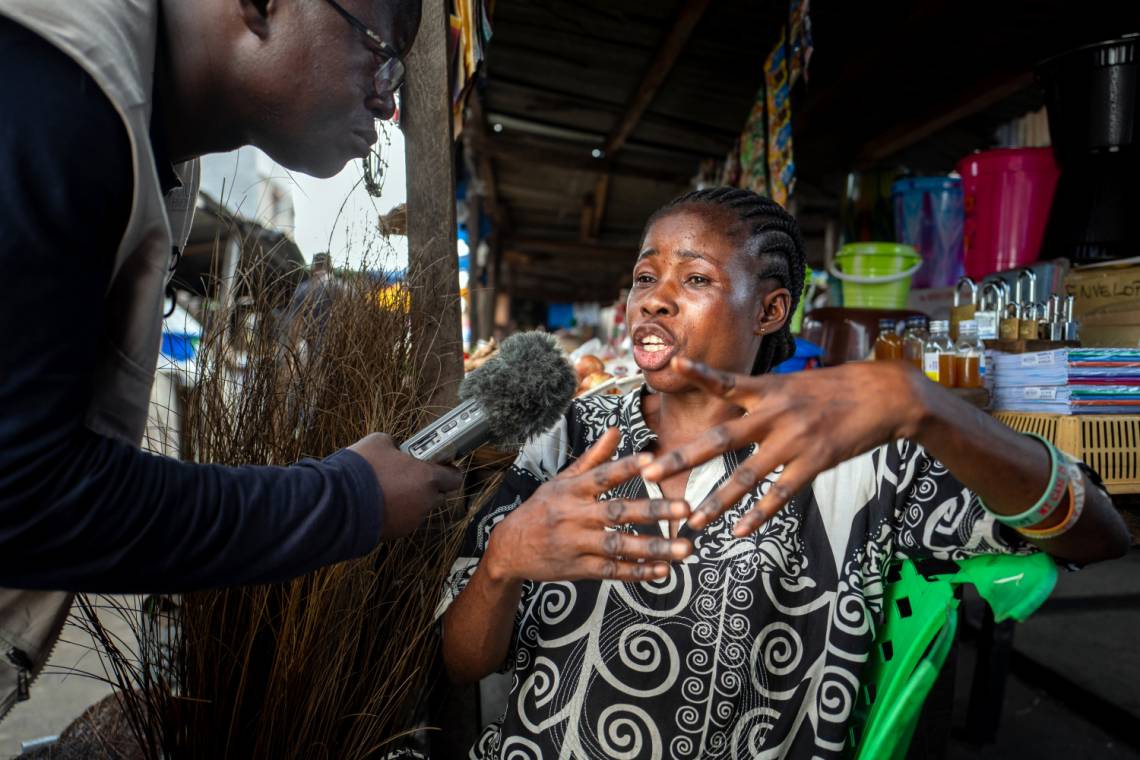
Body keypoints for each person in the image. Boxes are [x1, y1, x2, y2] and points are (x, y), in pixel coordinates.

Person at [438, 187, 1130, 758]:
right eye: (645, 277)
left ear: (770, 309)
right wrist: (503, 560)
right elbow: (464, 662)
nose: (654, 298)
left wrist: (924, 405)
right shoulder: (567, 434)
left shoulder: (856, 451)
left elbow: (1097, 536)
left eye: (697, 277)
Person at [0, 0, 459, 717]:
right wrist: (346, 499)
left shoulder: (141, 140)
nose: (388, 100)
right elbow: (22, 496)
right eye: (379, 50)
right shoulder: (57, 91)